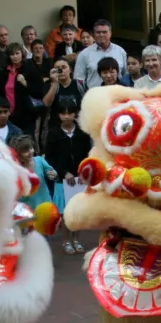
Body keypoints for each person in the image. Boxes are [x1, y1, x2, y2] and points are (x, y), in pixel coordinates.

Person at [45, 99, 91, 255]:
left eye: (69, 113)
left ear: (74, 114)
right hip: (62, 180)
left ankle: (76, 240)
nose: (66, 116)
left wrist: (82, 172)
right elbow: (50, 158)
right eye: (63, 113)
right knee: (65, 212)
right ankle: (66, 241)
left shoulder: (82, 133)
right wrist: (64, 172)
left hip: (79, 179)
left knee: (77, 212)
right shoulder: (53, 134)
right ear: (58, 115)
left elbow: (87, 155)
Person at [0, 42, 43, 132]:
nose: (15, 57)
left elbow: (40, 91)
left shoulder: (30, 68)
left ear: (22, 54)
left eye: (17, 53)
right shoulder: (4, 72)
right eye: (12, 54)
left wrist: (25, 84)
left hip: (26, 115)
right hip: (8, 115)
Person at [74, 19, 127, 92]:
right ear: (94, 35)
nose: (101, 35)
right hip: (94, 97)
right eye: (98, 32)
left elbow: (126, 76)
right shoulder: (84, 54)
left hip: (117, 96)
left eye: (104, 32)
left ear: (110, 33)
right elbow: (79, 80)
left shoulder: (120, 51)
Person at [43, 56, 82, 141]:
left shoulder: (79, 85)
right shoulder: (50, 85)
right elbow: (47, 103)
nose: (61, 71)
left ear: (70, 69)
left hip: (76, 129)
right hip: (55, 128)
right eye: (57, 68)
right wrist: (54, 83)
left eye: (64, 67)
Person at [12, 135, 55, 209]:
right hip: (28, 209)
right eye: (25, 151)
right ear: (18, 154)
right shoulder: (16, 170)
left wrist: (54, 175)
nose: (30, 152)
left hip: (45, 205)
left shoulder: (39, 160)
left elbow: (51, 171)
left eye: (31, 148)